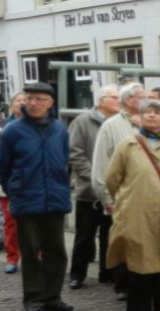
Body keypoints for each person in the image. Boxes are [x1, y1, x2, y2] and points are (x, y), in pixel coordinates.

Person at [103, 99, 160, 311]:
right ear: (140, 117)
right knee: (139, 265)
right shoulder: (128, 144)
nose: (152, 116)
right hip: (137, 215)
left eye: (157, 113)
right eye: (147, 112)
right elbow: (112, 179)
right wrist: (126, 202)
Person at [0, 82, 74, 311]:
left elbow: (65, 162)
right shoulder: (12, 131)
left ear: (51, 103)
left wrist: (60, 186)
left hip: (55, 201)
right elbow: (2, 167)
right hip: (26, 202)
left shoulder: (59, 129)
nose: (34, 103)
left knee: (57, 251)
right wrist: (15, 190)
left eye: (40, 99)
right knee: (31, 253)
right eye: (30, 98)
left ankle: (53, 297)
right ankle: (34, 298)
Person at [92, 82, 146, 300]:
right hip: (122, 199)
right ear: (128, 101)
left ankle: (144, 286)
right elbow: (100, 165)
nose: (145, 100)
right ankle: (124, 287)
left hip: (148, 199)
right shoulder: (111, 126)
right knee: (125, 243)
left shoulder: (150, 122)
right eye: (140, 96)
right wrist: (106, 198)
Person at [67, 85, 120, 289]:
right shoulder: (82, 121)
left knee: (110, 236)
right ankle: (77, 274)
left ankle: (107, 273)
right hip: (89, 193)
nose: (118, 100)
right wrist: (96, 178)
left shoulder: (118, 123)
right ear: (101, 101)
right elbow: (75, 153)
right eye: (114, 97)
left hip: (113, 193)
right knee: (84, 237)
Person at [0, 93, 28, 273]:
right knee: (10, 222)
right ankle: (12, 257)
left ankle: (36, 255)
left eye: (25, 100)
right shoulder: (2, 128)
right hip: (6, 184)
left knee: (32, 222)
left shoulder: (34, 126)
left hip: (29, 182)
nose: (23, 103)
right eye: (19, 101)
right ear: (11, 106)